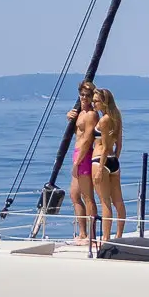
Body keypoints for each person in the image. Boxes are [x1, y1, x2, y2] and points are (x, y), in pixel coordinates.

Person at [67, 82, 100, 244]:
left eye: (88, 95)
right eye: (82, 95)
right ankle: (82, 233)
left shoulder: (91, 115)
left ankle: (91, 235)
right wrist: (69, 117)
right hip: (76, 153)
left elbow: (87, 139)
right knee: (74, 194)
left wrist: (78, 161)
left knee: (88, 196)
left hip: (84, 155)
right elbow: (78, 131)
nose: (85, 98)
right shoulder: (80, 112)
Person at [94, 89, 126, 241]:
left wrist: (100, 168)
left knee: (105, 202)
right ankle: (119, 235)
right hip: (113, 161)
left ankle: (106, 238)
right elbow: (118, 144)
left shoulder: (104, 120)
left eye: (96, 101)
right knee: (118, 201)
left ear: (104, 102)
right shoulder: (117, 117)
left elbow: (105, 146)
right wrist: (115, 160)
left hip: (101, 159)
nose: (94, 103)